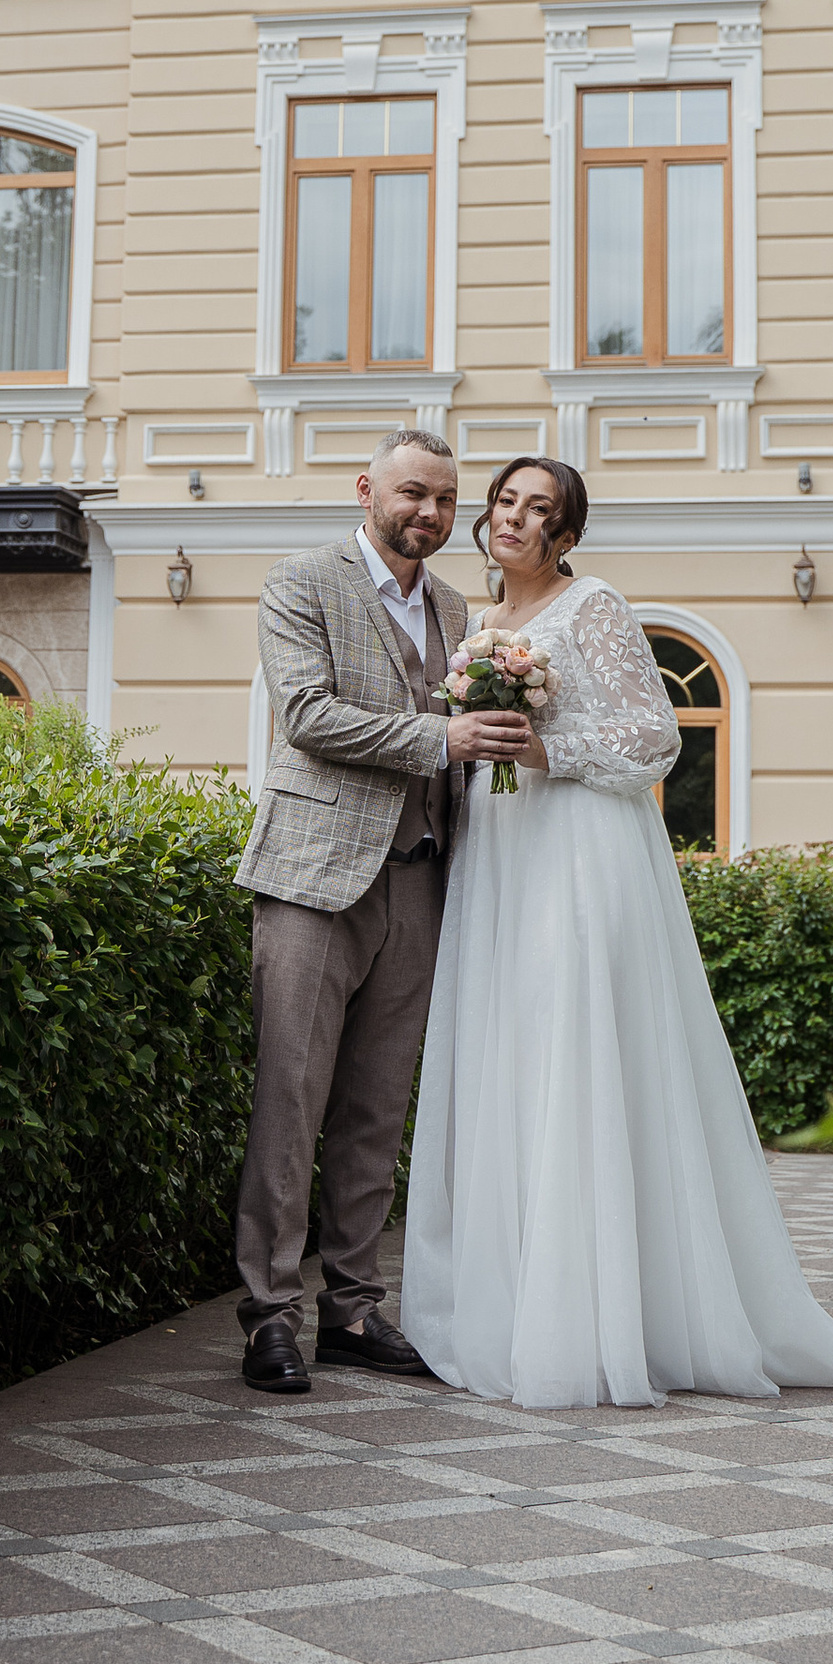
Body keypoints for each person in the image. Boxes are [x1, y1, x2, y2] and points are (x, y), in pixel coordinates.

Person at [402, 453, 833, 1411]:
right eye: (505, 502)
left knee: (576, 1052)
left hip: (579, 853)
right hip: (499, 852)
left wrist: (549, 749)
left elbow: (656, 738)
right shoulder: (471, 623)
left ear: (566, 536)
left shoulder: (597, 610)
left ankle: (610, 1312)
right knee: (509, 1057)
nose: (515, 518)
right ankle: (517, 1292)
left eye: (539, 509)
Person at [231, 429, 535, 1395]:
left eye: (446, 501)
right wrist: (443, 735)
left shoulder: (458, 607)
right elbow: (309, 716)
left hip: (425, 879)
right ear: (367, 490)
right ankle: (269, 1318)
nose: (430, 516)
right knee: (291, 1101)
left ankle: (354, 1308)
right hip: (316, 879)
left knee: (375, 1112)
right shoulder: (302, 582)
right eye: (413, 495)